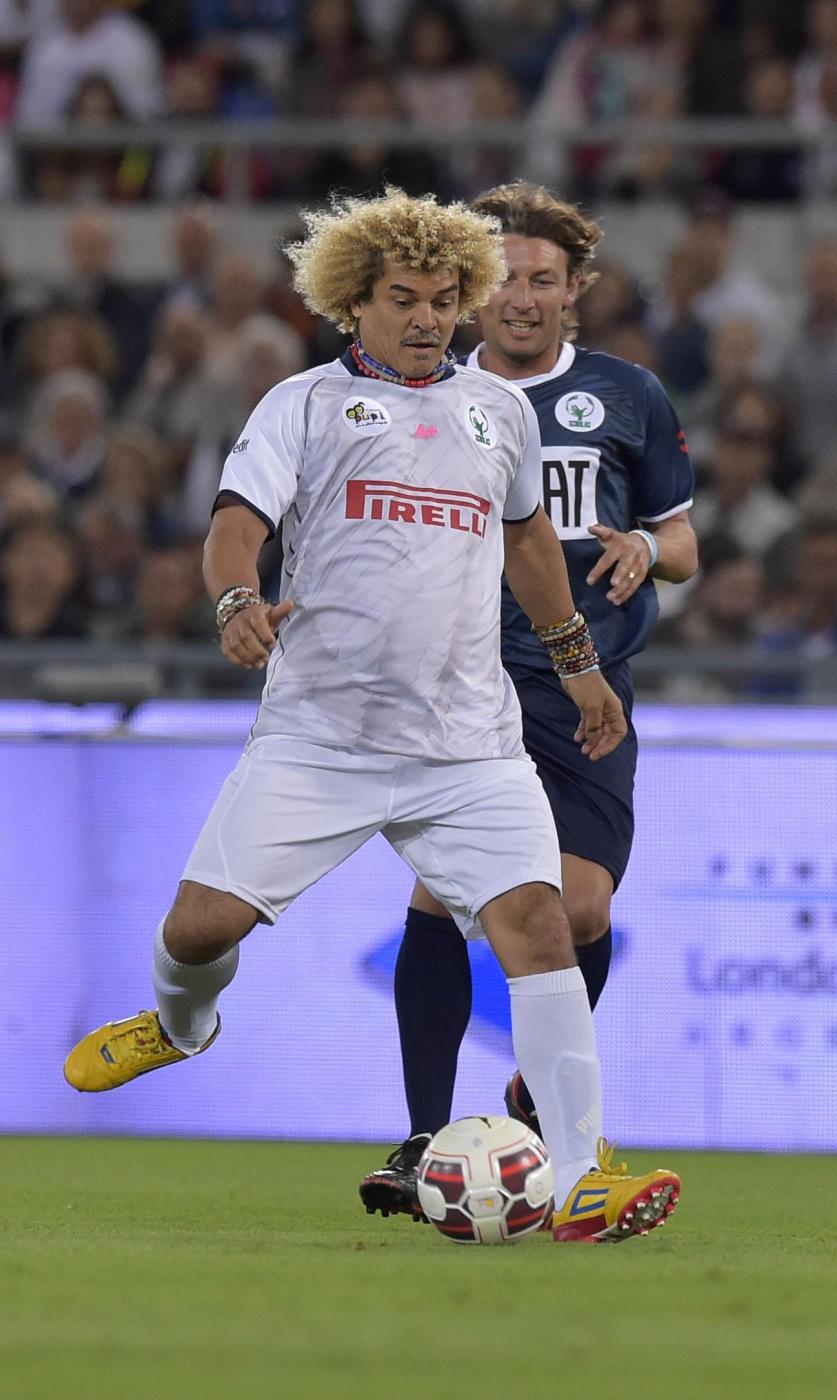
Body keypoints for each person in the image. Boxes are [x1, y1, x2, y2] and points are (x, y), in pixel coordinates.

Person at [64, 188, 681, 1243]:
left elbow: (529, 545)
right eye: (404, 299)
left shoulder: (499, 413)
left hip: (469, 747)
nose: (428, 319)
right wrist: (236, 600)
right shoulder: (302, 404)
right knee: (198, 930)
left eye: (444, 299)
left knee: (539, 928)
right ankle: (180, 1022)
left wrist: (578, 664)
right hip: (321, 738)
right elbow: (235, 525)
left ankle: (582, 1177)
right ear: (355, 301)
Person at [359, 181, 697, 1220]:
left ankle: (529, 1092)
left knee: (581, 905)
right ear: (474, 289)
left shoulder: (627, 394)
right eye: (503, 278)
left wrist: (647, 548)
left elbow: (683, 541)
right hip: (466, 684)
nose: (520, 296)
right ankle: (422, 1140)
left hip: (583, 688)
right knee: (439, 894)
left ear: (574, 289)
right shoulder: (431, 392)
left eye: (541, 279)